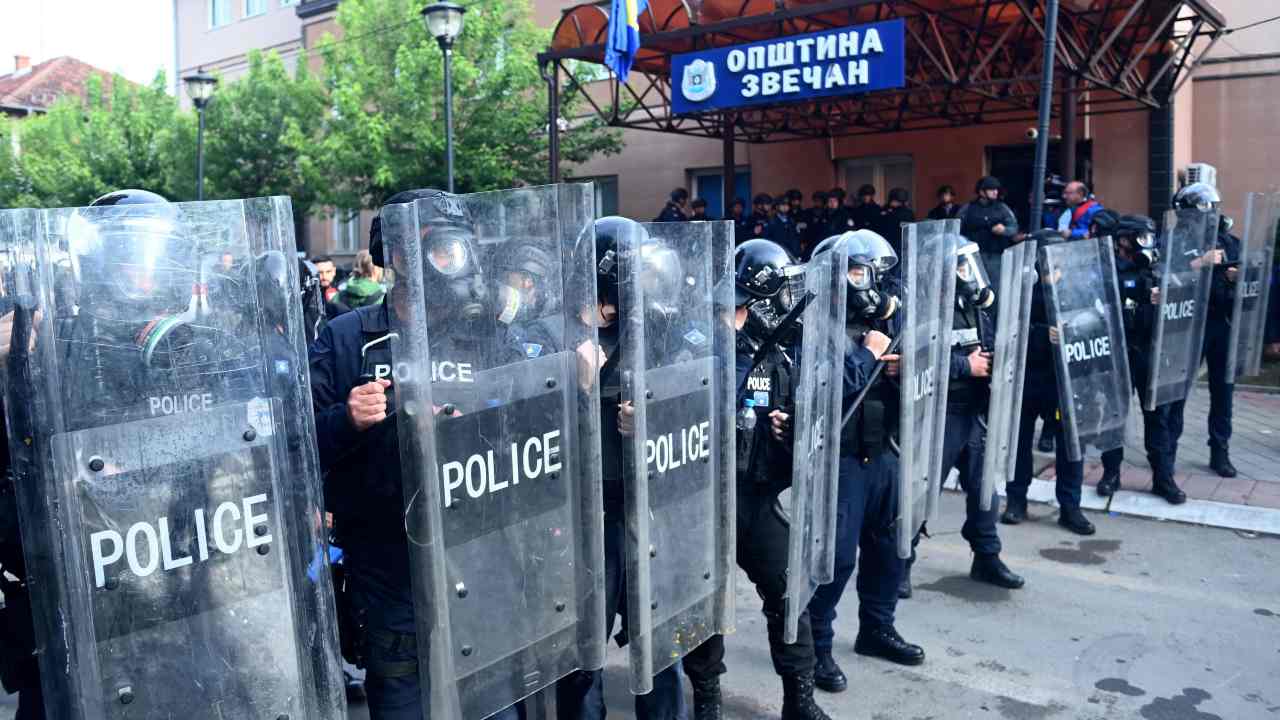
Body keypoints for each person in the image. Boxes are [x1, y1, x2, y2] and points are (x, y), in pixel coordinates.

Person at [311, 190, 524, 720]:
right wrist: (347, 418)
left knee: (489, 699)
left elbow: (534, 428)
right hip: (385, 559)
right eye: (443, 249)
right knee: (401, 695)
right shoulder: (347, 338)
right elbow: (299, 445)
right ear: (400, 256)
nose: (457, 261)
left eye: (460, 249)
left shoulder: (490, 337)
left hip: (477, 549)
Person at [683, 238, 852, 720]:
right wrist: (732, 341)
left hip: (756, 497)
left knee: (790, 593)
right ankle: (707, 701)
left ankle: (800, 700)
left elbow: (805, 418)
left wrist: (789, 428)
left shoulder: (781, 354)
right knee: (706, 605)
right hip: (707, 499)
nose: (788, 306)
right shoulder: (702, 343)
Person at [555, 216, 687, 720]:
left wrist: (651, 422)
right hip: (581, 518)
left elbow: (692, 405)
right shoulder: (553, 333)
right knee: (582, 654)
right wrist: (581, 391)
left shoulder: (650, 330)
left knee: (660, 642)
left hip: (645, 508)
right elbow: (527, 434)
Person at [799, 230, 926, 699]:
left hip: (883, 451)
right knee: (833, 559)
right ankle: (816, 647)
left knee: (891, 547)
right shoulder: (813, 324)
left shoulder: (879, 323)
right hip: (838, 459)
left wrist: (900, 367)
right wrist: (870, 354)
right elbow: (824, 391)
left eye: (870, 273)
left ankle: (877, 627)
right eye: (857, 272)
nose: (868, 282)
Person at [900, 240, 1025, 598]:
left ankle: (986, 556)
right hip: (938, 412)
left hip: (974, 409)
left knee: (985, 491)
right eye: (959, 266)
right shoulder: (922, 305)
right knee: (920, 493)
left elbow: (990, 344)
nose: (967, 273)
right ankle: (898, 565)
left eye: (968, 265)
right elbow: (913, 358)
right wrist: (964, 366)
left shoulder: (973, 306)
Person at [1002, 228, 1096, 535]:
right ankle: (1016, 500)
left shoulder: (1078, 288)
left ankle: (1070, 507)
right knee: (1019, 443)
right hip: (1029, 377)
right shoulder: (1022, 290)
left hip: (1065, 380)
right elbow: (1008, 332)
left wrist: (1078, 330)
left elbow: (1095, 322)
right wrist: (1044, 335)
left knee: (1071, 445)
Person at [1094, 212, 1188, 503]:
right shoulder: (1106, 270)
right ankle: (1111, 474)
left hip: (1150, 353)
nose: (1147, 243)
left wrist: (1164, 301)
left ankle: (1163, 478)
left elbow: (1179, 313)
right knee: (1114, 416)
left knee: (1157, 417)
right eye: (1141, 237)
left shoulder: (1158, 271)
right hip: (1118, 353)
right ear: (1123, 240)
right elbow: (1099, 315)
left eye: (1150, 237)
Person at [1160, 184, 1240, 481]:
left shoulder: (1228, 240)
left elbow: (1251, 273)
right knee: (1178, 390)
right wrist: (1200, 263)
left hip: (1222, 323)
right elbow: (1166, 275)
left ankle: (1220, 451)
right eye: (1206, 208)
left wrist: (1236, 276)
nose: (1211, 214)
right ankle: (1167, 453)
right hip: (1189, 322)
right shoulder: (1176, 240)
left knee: (1223, 390)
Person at [958, 176, 1019, 288]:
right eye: (991, 189)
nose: (996, 192)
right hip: (973, 257)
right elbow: (957, 230)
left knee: (995, 287)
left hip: (995, 257)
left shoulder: (1002, 208)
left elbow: (1014, 228)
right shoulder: (968, 209)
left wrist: (1004, 230)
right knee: (974, 287)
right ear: (982, 192)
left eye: (996, 189)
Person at [872, 188, 915, 253]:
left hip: (899, 244)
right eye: (893, 201)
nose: (892, 203)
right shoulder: (886, 210)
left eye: (896, 201)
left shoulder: (906, 213)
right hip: (887, 243)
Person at [797, 190, 829, 259]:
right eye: (815, 200)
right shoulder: (807, 213)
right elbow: (801, 228)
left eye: (819, 201)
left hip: (823, 243)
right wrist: (802, 241)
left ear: (824, 202)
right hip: (809, 243)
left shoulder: (828, 213)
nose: (817, 203)